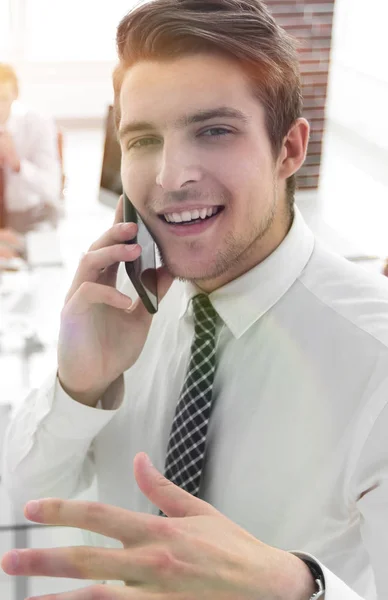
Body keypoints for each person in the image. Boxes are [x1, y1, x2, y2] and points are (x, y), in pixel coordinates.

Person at [2, 0, 388, 598]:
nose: (170, 176)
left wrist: (299, 586)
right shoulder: (124, 305)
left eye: (214, 130)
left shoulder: (376, 357)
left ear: (289, 149)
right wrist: (78, 386)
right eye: (143, 139)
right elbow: (23, 490)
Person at [0, 63, 61, 234]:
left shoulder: (37, 125)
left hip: (32, 216)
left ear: (15, 95)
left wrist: (17, 164)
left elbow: (52, 189)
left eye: (3, 98)